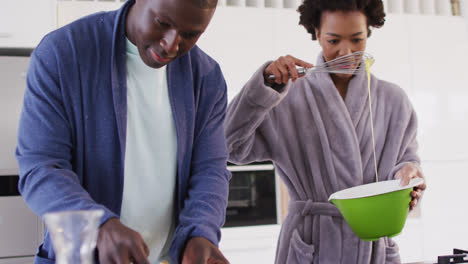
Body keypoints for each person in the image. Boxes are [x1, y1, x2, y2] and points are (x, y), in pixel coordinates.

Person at [15, 0, 231, 263]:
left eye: (190, 34)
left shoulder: (207, 77)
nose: (171, 44)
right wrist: (98, 226)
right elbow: (40, 168)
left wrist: (201, 233)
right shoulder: (63, 53)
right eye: (163, 23)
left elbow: (210, 171)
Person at [224, 0, 426, 263]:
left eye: (357, 39)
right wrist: (265, 85)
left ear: (368, 33)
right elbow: (229, 146)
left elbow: (407, 164)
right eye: (333, 41)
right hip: (311, 246)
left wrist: (409, 177)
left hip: (373, 249)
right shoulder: (285, 96)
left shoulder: (394, 101)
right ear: (317, 34)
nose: (346, 51)